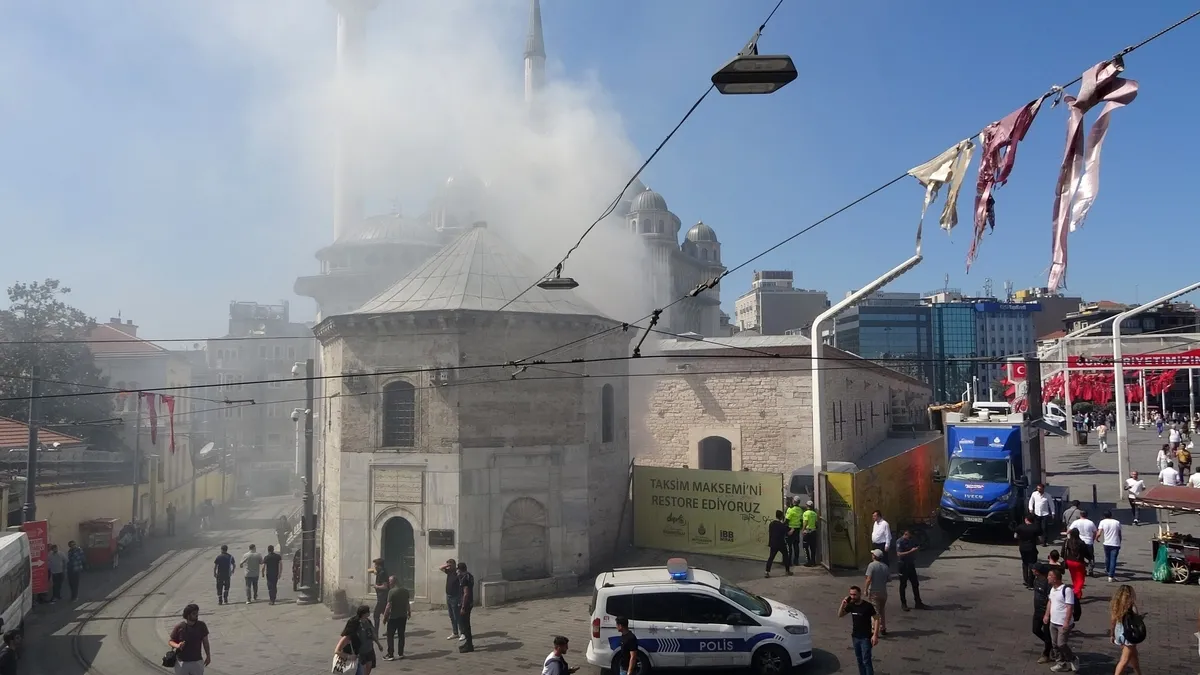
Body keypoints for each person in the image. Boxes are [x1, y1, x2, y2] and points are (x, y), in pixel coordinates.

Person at [838, 585, 880, 675]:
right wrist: (843, 604)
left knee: (866, 660)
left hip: (865, 637)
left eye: (854, 595)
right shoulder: (851, 605)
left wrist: (875, 635)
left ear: (859, 594)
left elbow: (876, 618)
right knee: (859, 660)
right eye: (851, 595)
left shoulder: (867, 606)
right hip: (855, 636)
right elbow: (840, 615)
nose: (852, 597)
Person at [1043, 569, 1077, 672]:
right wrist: (1046, 615)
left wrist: (1066, 621)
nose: (1047, 577)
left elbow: (1070, 607)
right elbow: (1050, 602)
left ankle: (1073, 659)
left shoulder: (1066, 590)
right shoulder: (1052, 589)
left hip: (1063, 623)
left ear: (1055, 578)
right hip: (1053, 622)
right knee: (1054, 644)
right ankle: (1061, 663)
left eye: (1050, 576)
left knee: (1061, 644)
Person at [167, 603, 211, 675]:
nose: (196, 615)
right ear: (188, 615)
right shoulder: (180, 626)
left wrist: (208, 656)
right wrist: (178, 645)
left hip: (197, 661)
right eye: (194, 613)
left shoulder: (201, 625)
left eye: (197, 613)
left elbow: (205, 642)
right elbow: (170, 641)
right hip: (182, 662)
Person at [1108, 584, 1142, 675]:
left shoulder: (1116, 606)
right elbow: (1136, 621)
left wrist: (1112, 634)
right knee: (1124, 661)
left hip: (1119, 633)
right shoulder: (1132, 607)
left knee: (1133, 655)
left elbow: (1113, 621)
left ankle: (1138, 673)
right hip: (1129, 634)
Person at [334, 606, 375, 675]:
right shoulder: (347, 637)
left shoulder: (367, 622)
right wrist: (349, 656)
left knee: (368, 668)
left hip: (367, 652)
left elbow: (371, 634)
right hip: (357, 659)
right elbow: (337, 651)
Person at [1062, 530, 1090, 620]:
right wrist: (1090, 559)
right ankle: (1075, 594)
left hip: (1069, 561)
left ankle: (1078, 593)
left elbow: (1063, 552)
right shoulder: (1081, 543)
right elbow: (1087, 553)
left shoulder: (1067, 541)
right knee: (1081, 579)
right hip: (1079, 562)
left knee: (1074, 578)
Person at [895, 530, 925, 611]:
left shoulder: (911, 540)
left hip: (911, 564)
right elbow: (899, 554)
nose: (910, 538)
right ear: (905, 534)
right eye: (909, 536)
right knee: (903, 585)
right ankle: (903, 603)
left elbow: (914, 547)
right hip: (903, 565)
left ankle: (918, 602)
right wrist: (910, 551)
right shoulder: (899, 541)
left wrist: (916, 550)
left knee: (915, 583)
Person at [1029, 564, 1053, 665]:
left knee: (1047, 634)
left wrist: (1047, 614)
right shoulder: (1036, 580)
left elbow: (1050, 599)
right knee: (1035, 630)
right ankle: (1051, 644)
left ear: (1038, 571)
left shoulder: (1047, 583)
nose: (1032, 570)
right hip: (1037, 610)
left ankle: (1046, 654)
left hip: (1046, 612)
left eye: (1033, 569)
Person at [382, 576, 410, 661]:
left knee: (390, 636)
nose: (389, 583)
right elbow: (407, 603)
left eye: (390, 582)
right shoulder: (405, 591)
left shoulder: (392, 592)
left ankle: (390, 654)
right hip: (403, 616)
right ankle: (400, 653)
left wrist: (385, 617)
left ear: (393, 582)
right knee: (401, 635)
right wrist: (409, 612)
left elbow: (388, 606)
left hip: (393, 617)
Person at [863, 549, 890, 634]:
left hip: (874, 591)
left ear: (874, 556)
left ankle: (874, 630)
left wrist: (865, 590)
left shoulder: (871, 565)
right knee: (882, 610)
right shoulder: (885, 566)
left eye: (872, 554)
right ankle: (883, 627)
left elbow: (868, 579)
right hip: (883, 592)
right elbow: (889, 579)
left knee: (874, 611)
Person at [1067, 510, 1097, 576]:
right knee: (1091, 557)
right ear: (1087, 515)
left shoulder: (1076, 522)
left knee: (1080, 557)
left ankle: (1082, 570)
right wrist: (1093, 538)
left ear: (1080, 515)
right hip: (1088, 542)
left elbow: (1069, 530)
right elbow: (1095, 532)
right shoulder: (1090, 523)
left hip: (1079, 542)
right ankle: (1090, 570)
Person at [1015, 515, 1042, 588]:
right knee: (1032, 564)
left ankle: (1025, 579)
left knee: (1024, 563)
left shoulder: (1020, 527)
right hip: (1032, 548)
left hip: (1022, 547)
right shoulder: (1036, 528)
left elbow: (1015, 536)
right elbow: (1040, 539)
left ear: (1026, 519)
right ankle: (1031, 582)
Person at [1097, 511, 1123, 582]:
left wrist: (1096, 538)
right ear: (1111, 515)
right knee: (1113, 560)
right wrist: (1120, 541)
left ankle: (1108, 570)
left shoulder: (1102, 522)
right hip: (1115, 543)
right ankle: (1111, 576)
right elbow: (1119, 534)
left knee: (1107, 558)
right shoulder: (1117, 522)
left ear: (1104, 516)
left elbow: (1099, 533)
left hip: (1107, 543)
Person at [765, 510, 792, 577]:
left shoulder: (771, 524)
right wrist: (792, 529)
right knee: (786, 555)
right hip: (781, 543)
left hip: (773, 543)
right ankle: (787, 571)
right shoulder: (781, 525)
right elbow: (788, 533)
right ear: (781, 517)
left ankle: (767, 572)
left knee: (771, 557)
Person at [439, 558, 461, 641]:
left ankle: (462, 632)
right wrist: (447, 565)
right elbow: (440, 568)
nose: (448, 567)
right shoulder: (449, 571)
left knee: (457, 616)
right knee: (451, 616)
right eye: (448, 565)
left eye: (450, 565)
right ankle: (455, 633)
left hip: (455, 597)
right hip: (448, 596)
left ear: (453, 565)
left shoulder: (457, 573)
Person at [456, 562, 475, 653]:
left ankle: (469, 645)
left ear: (459, 569)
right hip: (470, 602)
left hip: (466, 604)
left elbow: (466, 593)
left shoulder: (464, 578)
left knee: (465, 625)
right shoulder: (470, 576)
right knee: (466, 624)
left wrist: (463, 606)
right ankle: (468, 643)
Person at [369, 558, 389, 629]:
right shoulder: (381, 572)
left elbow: (385, 586)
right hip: (382, 597)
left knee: (376, 615)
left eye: (376, 565)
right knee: (386, 614)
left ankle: (376, 633)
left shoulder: (382, 573)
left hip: (382, 598)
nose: (374, 567)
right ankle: (392, 628)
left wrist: (376, 586)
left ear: (379, 566)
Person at [784, 497, 803, 567]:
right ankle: (796, 561)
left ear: (793, 501)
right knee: (796, 545)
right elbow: (801, 520)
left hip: (790, 529)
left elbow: (787, 520)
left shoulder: (790, 509)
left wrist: (783, 527)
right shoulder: (800, 510)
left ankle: (789, 562)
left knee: (789, 546)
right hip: (797, 529)